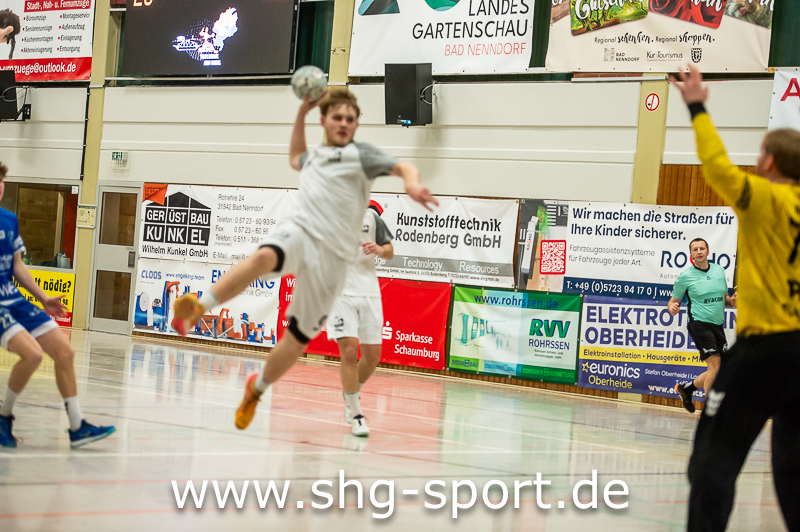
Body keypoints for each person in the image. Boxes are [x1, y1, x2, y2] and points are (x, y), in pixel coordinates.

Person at [170, 90, 437, 432]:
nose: (343, 123)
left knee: (297, 340)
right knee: (264, 256)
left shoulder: (363, 156)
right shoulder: (315, 157)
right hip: (302, 232)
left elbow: (405, 166)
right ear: (324, 121)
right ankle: (200, 306)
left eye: (350, 118)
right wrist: (300, 113)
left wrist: (412, 184)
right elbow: (296, 155)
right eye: (337, 117)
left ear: (356, 125)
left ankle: (256, 389)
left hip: (334, 260)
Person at [672, 64, 800, 531]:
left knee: (712, 462)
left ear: (769, 163)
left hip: (764, 351)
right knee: (794, 472)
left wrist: (697, 107)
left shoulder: (762, 198)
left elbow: (717, 167)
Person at [0, 163, 115, 448]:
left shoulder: (9, 220)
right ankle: (3, 418)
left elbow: (17, 266)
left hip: (13, 299)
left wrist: (43, 298)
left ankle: (77, 427)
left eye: (2, 181)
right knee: (33, 355)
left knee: (65, 352)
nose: (0, 186)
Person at [326, 203, 393, 437]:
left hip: (369, 293)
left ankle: (351, 393)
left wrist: (379, 249)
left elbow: (390, 251)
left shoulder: (372, 217)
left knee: (372, 356)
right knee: (349, 351)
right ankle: (356, 414)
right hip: (340, 293)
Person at [668, 237, 737, 413]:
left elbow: (725, 298)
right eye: (695, 249)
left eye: (702, 248)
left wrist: (732, 301)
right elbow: (673, 301)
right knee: (715, 364)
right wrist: (672, 308)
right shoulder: (686, 276)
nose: (699, 251)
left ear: (707, 251)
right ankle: (709, 414)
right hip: (698, 324)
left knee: (719, 369)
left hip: (717, 325)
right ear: (691, 254)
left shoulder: (719, 270)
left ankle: (687, 388)